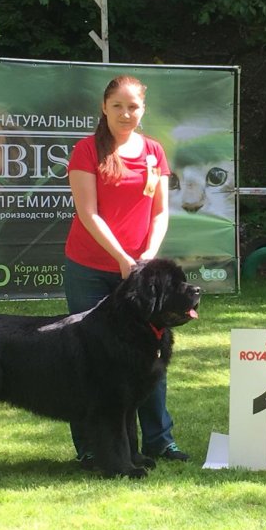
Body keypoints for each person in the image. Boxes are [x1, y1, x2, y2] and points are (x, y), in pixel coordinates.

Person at [64, 74, 189, 465]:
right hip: (90, 268)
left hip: (141, 277)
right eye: (117, 105)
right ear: (104, 107)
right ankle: (89, 447)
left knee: (150, 355)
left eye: (132, 106)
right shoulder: (87, 150)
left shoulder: (154, 152)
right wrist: (123, 259)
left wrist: (148, 256)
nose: (125, 113)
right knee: (87, 359)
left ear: (143, 109)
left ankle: (159, 441)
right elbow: (88, 213)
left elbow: (161, 212)